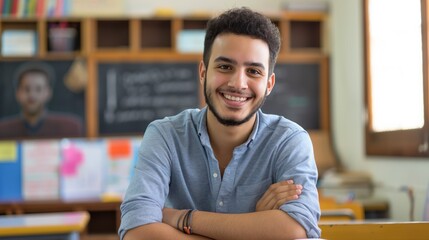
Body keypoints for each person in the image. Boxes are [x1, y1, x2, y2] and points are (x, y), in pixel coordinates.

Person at [119, 7, 321, 240]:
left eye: (254, 71)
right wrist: (256, 229)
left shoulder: (289, 141)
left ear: (269, 83)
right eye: (225, 67)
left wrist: (184, 219)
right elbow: (136, 232)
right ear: (203, 72)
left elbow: (297, 228)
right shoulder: (165, 136)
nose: (238, 83)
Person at [0, 63, 83, 139]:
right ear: (17, 93)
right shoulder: (3, 130)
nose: (32, 95)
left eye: (38, 89)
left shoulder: (69, 128)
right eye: (26, 89)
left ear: (48, 93)